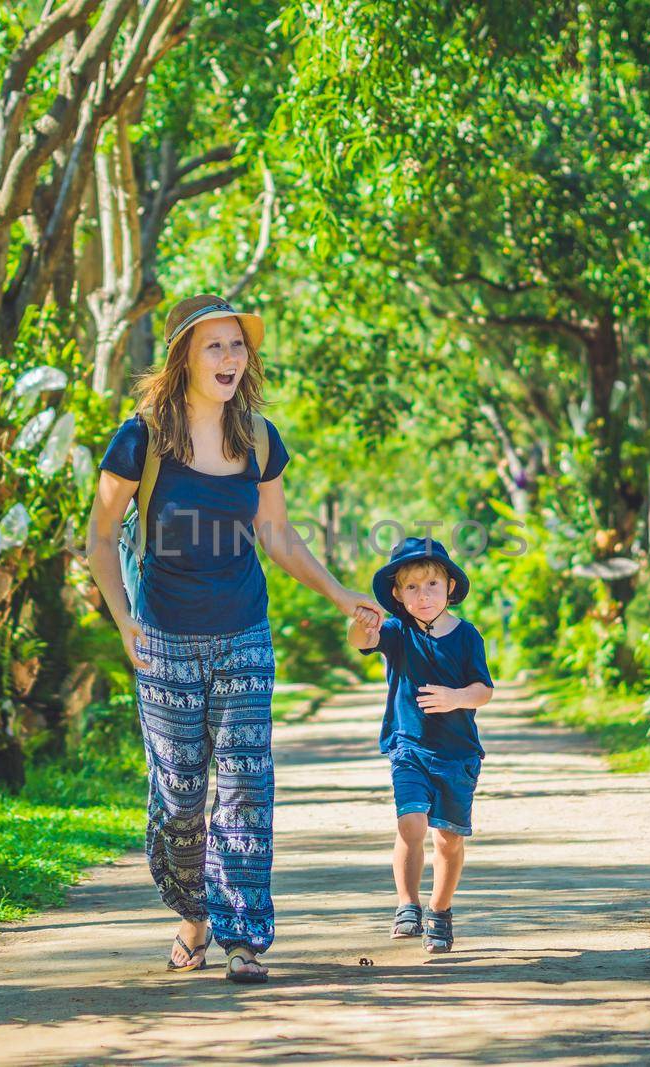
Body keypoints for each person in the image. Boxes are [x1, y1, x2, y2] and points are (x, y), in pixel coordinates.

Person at [85, 292, 383, 984]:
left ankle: (244, 935)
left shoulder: (259, 437)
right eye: (213, 344)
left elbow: (275, 533)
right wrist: (123, 616)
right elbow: (101, 536)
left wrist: (342, 593)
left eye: (237, 345)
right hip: (163, 636)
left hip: (244, 631)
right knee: (182, 792)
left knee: (246, 783)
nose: (228, 357)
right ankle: (192, 912)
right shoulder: (141, 438)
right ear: (183, 354)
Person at [346, 536, 495, 954]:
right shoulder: (396, 632)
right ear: (397, 594)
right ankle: (407, 904)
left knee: (448, 839)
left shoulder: (467, 636)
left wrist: (456, 698)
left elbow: (484, 689)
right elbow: (361, 641)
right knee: (410, 823)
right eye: (411, 587)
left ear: (449, 587)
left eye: (432, 585)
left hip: (457, 753)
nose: (423, 595)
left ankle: (440, 912)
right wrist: (362, 623)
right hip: (408, 746)